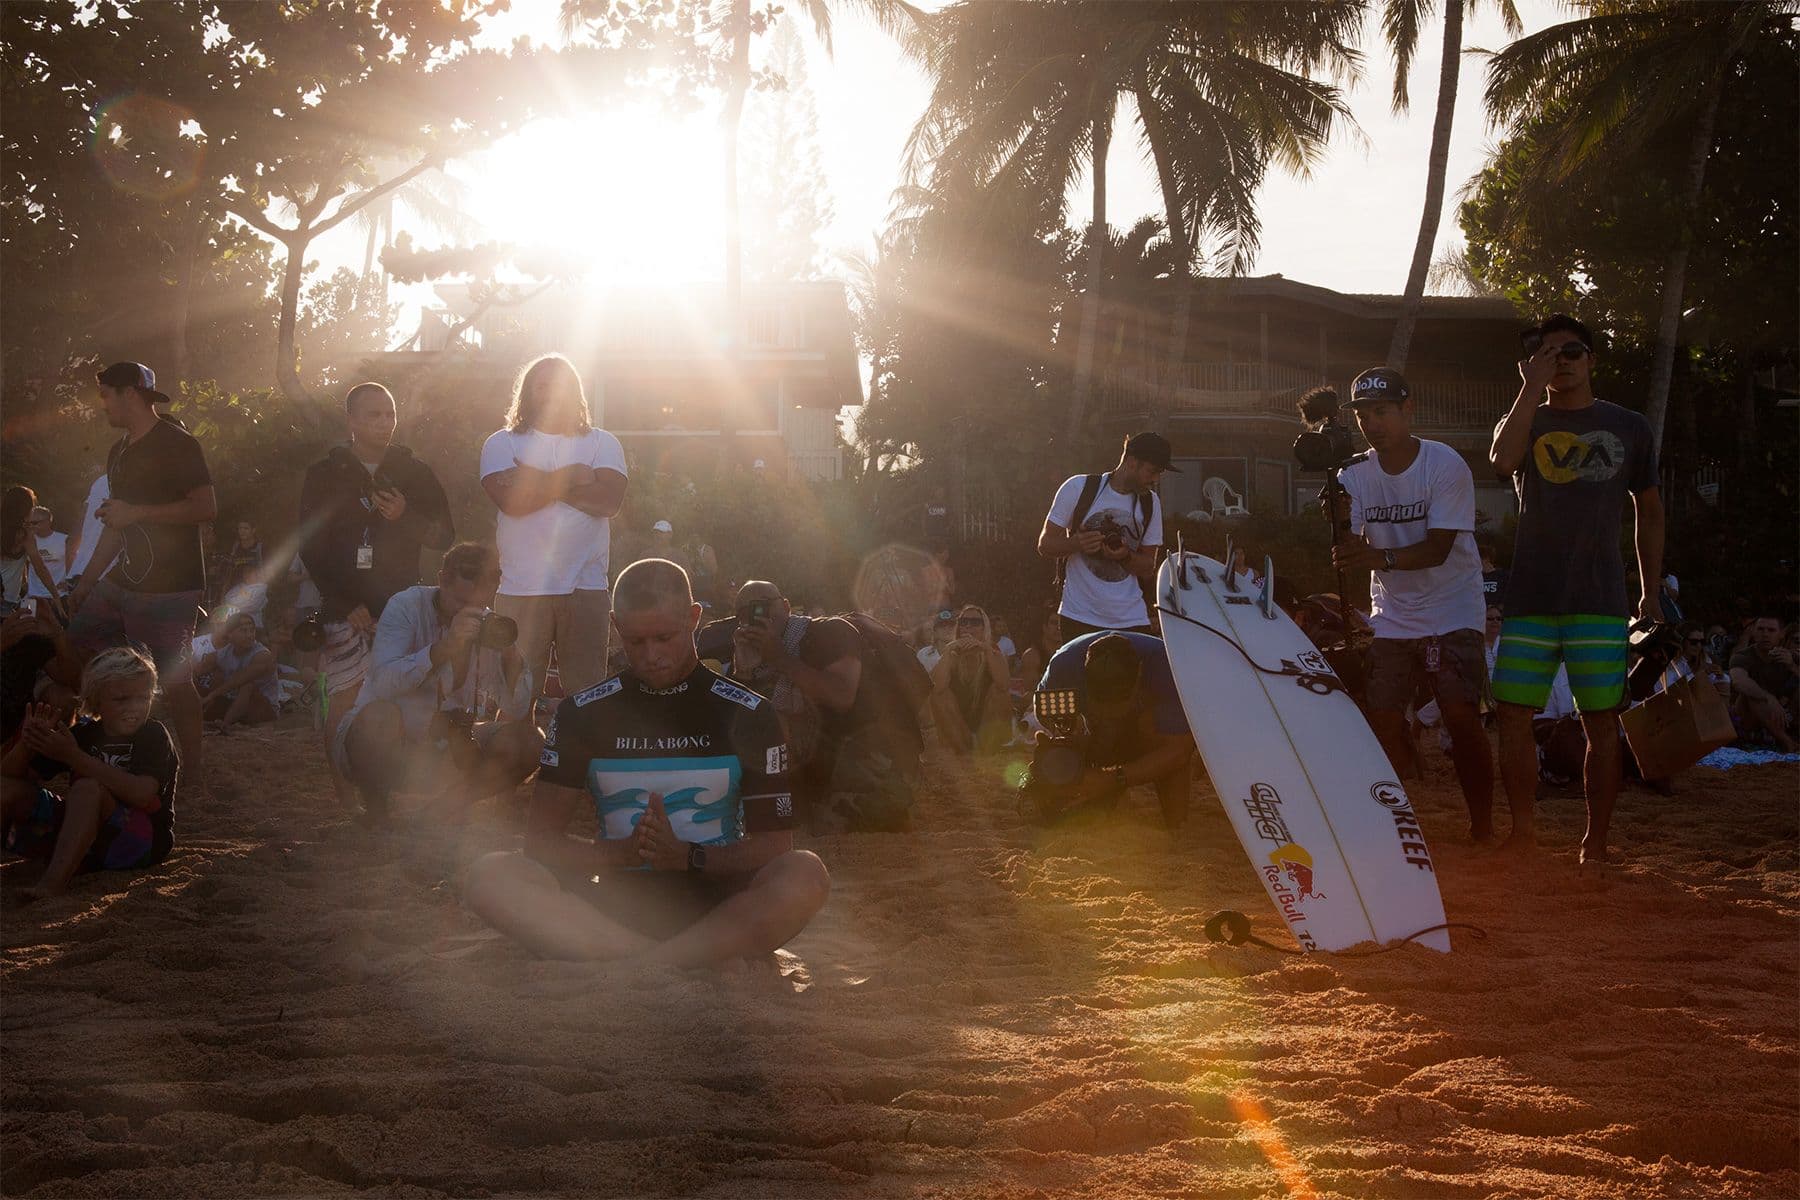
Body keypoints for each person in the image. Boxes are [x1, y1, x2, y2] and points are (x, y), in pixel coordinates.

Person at [462, 558, 831, 966]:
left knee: (806, 874)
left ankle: (640, 962)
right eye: (636, 642)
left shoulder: (749, 713)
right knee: (489, 874)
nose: (651, 655)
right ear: (617, 627)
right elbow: (541, 842)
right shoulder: (581, 713)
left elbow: (775, 847)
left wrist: (690, 857)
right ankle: (668, 960)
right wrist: (617, 855)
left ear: (693, 618)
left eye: (664, 637)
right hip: (615, 905)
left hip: (720, 904)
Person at [1489, 315, 1663, 864]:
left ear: (1591, 360)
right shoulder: (1525, 419)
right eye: (1547, 353)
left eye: (1571, 351)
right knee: (1514, 714)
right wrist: (1528, 388)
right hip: (1531, 599)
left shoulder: (1629, 425)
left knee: (1601, 720)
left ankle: (1597, 842)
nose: (1560, 360)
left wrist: (1651, 591)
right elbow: (1502, 460)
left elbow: (1650, 510)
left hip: (1599, 599)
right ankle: (1522, 833)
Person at [1331, 367, 1495, 843]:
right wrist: (1338, 525)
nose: (1371, 422)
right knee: (1381, 718)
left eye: (1380, 411)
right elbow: (1349, 545)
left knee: (1460, 715)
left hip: (1454, 604)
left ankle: (1481, 825)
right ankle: (1387, 823)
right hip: (1394, 611)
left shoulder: (1443, 464)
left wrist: (1373, 556)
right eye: (1362, 413)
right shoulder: (1352, 473)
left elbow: (1439, 548)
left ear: (1408, 409)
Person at [298, 381, 455, 801]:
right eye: (373, 414)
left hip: (401, 609)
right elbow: (310, 546)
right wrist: (344, 602)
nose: (384, 422)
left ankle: (390, 795)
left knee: (404, 702)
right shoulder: (325, 473)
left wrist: (406, 516)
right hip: (344, 609)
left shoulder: (413, 471)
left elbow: (444, 536)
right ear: (350, 420)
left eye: (389, 413)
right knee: (346, 702)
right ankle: (344, 800)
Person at [66, 362, 216, 783]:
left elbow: (206, 508)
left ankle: (194, 770)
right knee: (76, 645)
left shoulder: (178, 444)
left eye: (106, 395)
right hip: (123, 580)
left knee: (174, 680)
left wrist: (139, 513)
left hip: (171, 587)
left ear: (129, 394)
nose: (103, 405)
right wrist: (87, 582)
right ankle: (101, 742)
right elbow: (117, 524)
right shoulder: (119, 451)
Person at [330, 543, 543, 823]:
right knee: (378, 717)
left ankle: (441, 811)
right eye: (459, 602)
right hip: (385, 746)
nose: (466, 612)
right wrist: (446, 647)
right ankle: (377, 812)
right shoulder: (405, 606)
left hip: (447, 749)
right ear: (441, 579)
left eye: (478, 605)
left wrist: (510, 654)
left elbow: (515, 707)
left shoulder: (486, 623)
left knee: (530, 742)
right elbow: (382, 683)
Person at [479, 354, 628, 709]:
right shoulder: (502, 443)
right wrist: (574, 475)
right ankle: (516, 762)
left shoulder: (603, 442)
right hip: (520, 589)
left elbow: (608, 502)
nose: (550, 393)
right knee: (515, 702)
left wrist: (535, 482)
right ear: (527, 393)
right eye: (541, 385)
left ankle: (579, 765)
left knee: (589, 702)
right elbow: (512, 502)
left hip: (586, 588)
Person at [729, 580, 925, 833]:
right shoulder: (760, 657)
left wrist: (778, 657)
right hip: (825, 757)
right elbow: (745, 724)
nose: (757, 617)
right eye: (745, 614)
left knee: (831, 823)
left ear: (786, 606)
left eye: (763, 607)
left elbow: (841, 696)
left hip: (874, 753)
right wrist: (743, 672)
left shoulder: (831, 632)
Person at [2, 648, 177, 900]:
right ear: (96, 701)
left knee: (87, 788)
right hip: (85, 834)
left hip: (140, 841)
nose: (135, 707)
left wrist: (73, 757)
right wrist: (27, 744)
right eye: (121, 699)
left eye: (143, 697)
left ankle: (51, 884)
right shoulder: (85, 734)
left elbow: (142, 794)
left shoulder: (153, 735)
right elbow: (10, 779)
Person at [1032, 631, 1196, 829]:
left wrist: (1113, 779)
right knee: (1062, 757)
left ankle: (1177, 828)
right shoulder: (1065, 666)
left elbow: (1179, 751)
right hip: (1093, 730)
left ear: (1139, 677)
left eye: (1116, 704)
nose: (1108, 711)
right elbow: (1043, 713)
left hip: (1144, 722)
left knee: (1155, 735)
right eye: (1101, 704)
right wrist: (1065, 737)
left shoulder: (1169, 667)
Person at [1038, 431, 1173, 641]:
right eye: (1152, 471)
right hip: (1079, 616)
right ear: (1131, 462)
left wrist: (1124, 556)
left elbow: (1148, 566)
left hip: (1132, 619)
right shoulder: (1078, 488)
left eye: (1159, 473)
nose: (1155, 480)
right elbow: (1045, 544)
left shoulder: (1150, 503)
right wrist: (1076, 543)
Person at [927, 604, 1014, 755]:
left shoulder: (994, 655)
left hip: (986, 726)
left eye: (975, 622)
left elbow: (1004, 686)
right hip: (959, 727)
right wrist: (947, 651)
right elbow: (935, 689)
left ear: (984, 627)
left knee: (998, 692)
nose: (968, 626)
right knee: (940, 695)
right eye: (964, 622)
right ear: (959, 627)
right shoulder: (952, 657)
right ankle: (964, 753)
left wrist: (986, 649)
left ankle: (986, 750)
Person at [194, 611, 280, 731]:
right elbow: (196, 671)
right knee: (217, 676)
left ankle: (225, 724)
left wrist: (211, 695)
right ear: (230, 634)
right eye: (243, 631)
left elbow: (238, 680)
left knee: (247, 685)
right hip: (233, 703)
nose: (250, 635)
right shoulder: (224, 652)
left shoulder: (262, 655)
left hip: (261, 709)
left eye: (252, 630)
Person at [1728, 615, 1797, 751]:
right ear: (1754, 632)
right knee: (1751, 693)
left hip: (1781, 715)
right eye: (1760, 629)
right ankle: (1788, 743)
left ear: (1781, 634)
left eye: (1771, 630)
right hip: (1749, 717)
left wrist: (1792, 666)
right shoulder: (1742, 656)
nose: (1765, 634)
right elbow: (1739, 681)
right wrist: (1768, 697)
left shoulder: (1788, 656)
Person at [25, 508, 69, 614]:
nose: (31, 526)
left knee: (60, 628)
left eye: (35, 523)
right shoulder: (28, 541)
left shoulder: (64, 540)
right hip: (32, 596)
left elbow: (76, 564)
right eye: (29, 523)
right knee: (26, 628)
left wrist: (69, 583)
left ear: (48, 521)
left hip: (59, 596)